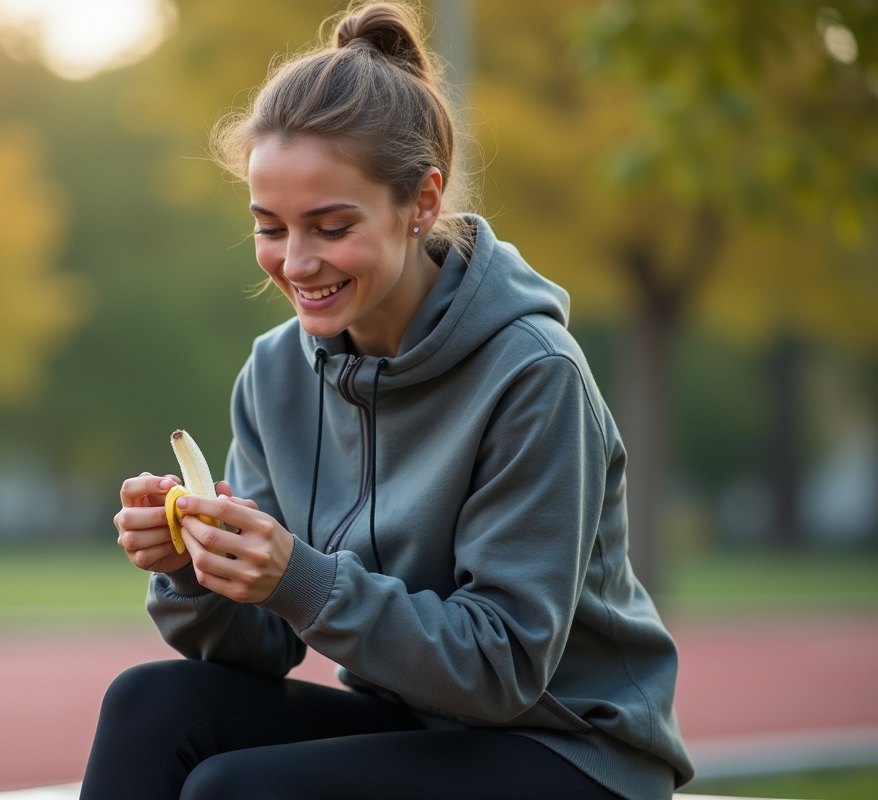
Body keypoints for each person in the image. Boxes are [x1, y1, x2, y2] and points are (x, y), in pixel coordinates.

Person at [90, 2, 694, 798]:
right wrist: (201, 573)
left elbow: (502, 667)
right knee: (148, 704)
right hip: (412, 723)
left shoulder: (534, 375)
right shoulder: (276, 372)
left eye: (331, 226)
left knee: (235, 792)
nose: (296, 262)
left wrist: (298, 577)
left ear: (422, 203)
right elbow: (262, 645)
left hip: (571, 750)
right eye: (270, 227)